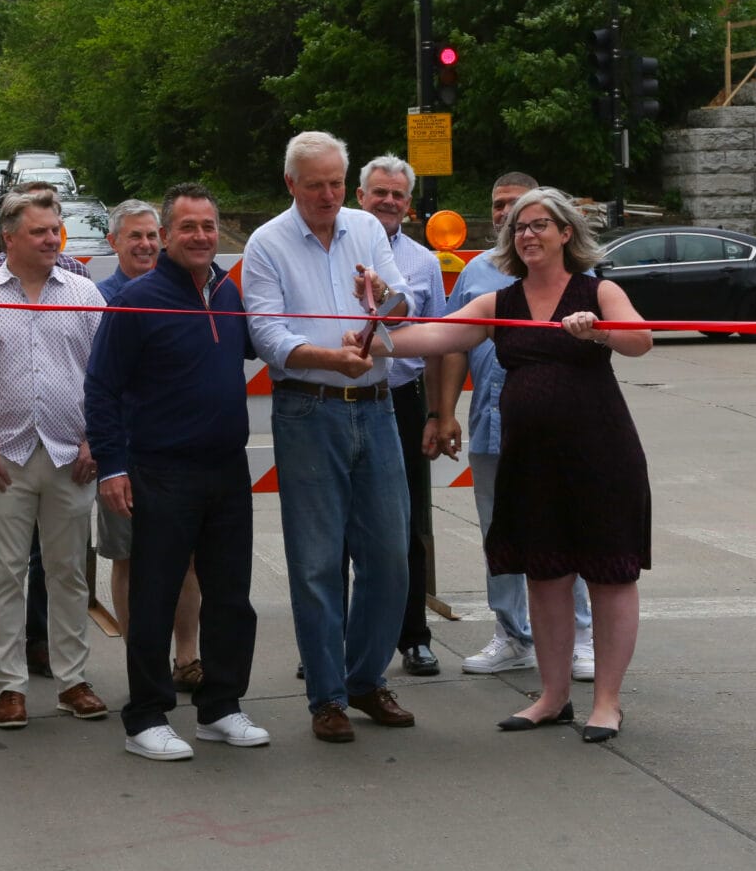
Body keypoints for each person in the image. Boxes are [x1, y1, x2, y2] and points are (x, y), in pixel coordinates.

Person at [369, 187, 650, 741]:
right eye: (519, 227)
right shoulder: (502, 301)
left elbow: (639, 340)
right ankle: (552, 697)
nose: (527, 234)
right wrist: (377, 340)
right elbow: (440, 333)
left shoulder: (599, 290)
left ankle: (608, 703)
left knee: (610, 574)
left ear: (566, 233)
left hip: (599, 457)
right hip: (530, 461)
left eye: (539, 224)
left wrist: (599, 329)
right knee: (544, 574)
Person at [241, 131, 416, 744]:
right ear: (290, 184)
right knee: (316, 563)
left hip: (376, 406)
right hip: (308, 410)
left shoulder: (365, 229)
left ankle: (365, 677)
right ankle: (328, 697)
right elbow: (267, 336)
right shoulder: (266, 244)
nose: (327, 195)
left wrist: (384, 294)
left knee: (391, 556)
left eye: (336, 183)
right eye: (314, 184)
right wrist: (326, 355)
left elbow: (403, 308)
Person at [86, 183, 265, 761]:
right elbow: (102, 389)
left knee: (232, 597)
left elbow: (267, 345)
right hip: (159, 470)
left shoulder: (228, 293)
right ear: (165, 236)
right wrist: (112, 466)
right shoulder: (135, 301)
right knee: (155, 595)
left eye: (209, 227)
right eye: (188, 227)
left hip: (226, 470)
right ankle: (146, 715)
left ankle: (221, 707)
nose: (200, 237)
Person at [0, 187, 109, 730]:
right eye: (39, 231)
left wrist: (95, 442)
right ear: (8, 237)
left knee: (68, 575)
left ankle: (72, 680)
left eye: (55, 230)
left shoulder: (84, 295)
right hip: (2, 459)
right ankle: (10, 686)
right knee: (3, 574)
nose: (52, 238)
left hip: (70, 455)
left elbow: (110, 378)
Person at [438, 174, 594, 679]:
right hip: (492, 422)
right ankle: (511, 634)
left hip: (560, 426)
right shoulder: (478, 272)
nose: (508, 215)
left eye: (522, 209)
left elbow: (625, 338)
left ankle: (581, 638)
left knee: (567, 528)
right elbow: (451, 341)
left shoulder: (581, 278)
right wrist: (443, 412)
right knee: (499, 532)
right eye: (500, 205)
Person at [94, 199, 204, 692]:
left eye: (149, 236)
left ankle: (187, 657)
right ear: (113, 242)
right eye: (132, 237)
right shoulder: (99, 299)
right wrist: (103, 454)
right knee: (129, 558)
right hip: (125, 454)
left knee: (187, 560)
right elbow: (96, 385)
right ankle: (143, 661)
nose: (143, 245)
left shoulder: (184, 291)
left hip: (180, 456)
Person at [354, 155, 447, 677]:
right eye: (378, 192)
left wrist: (438, 412)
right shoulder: (338, 247)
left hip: (403, 400)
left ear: (409, 206)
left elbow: (439, 345)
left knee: (408, 523)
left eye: (397, 195)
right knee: (347, 526)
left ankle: (414, 636)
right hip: (346, 399)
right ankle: (344, 640)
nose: (387, 201)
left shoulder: (424, 263)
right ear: (360, 196)